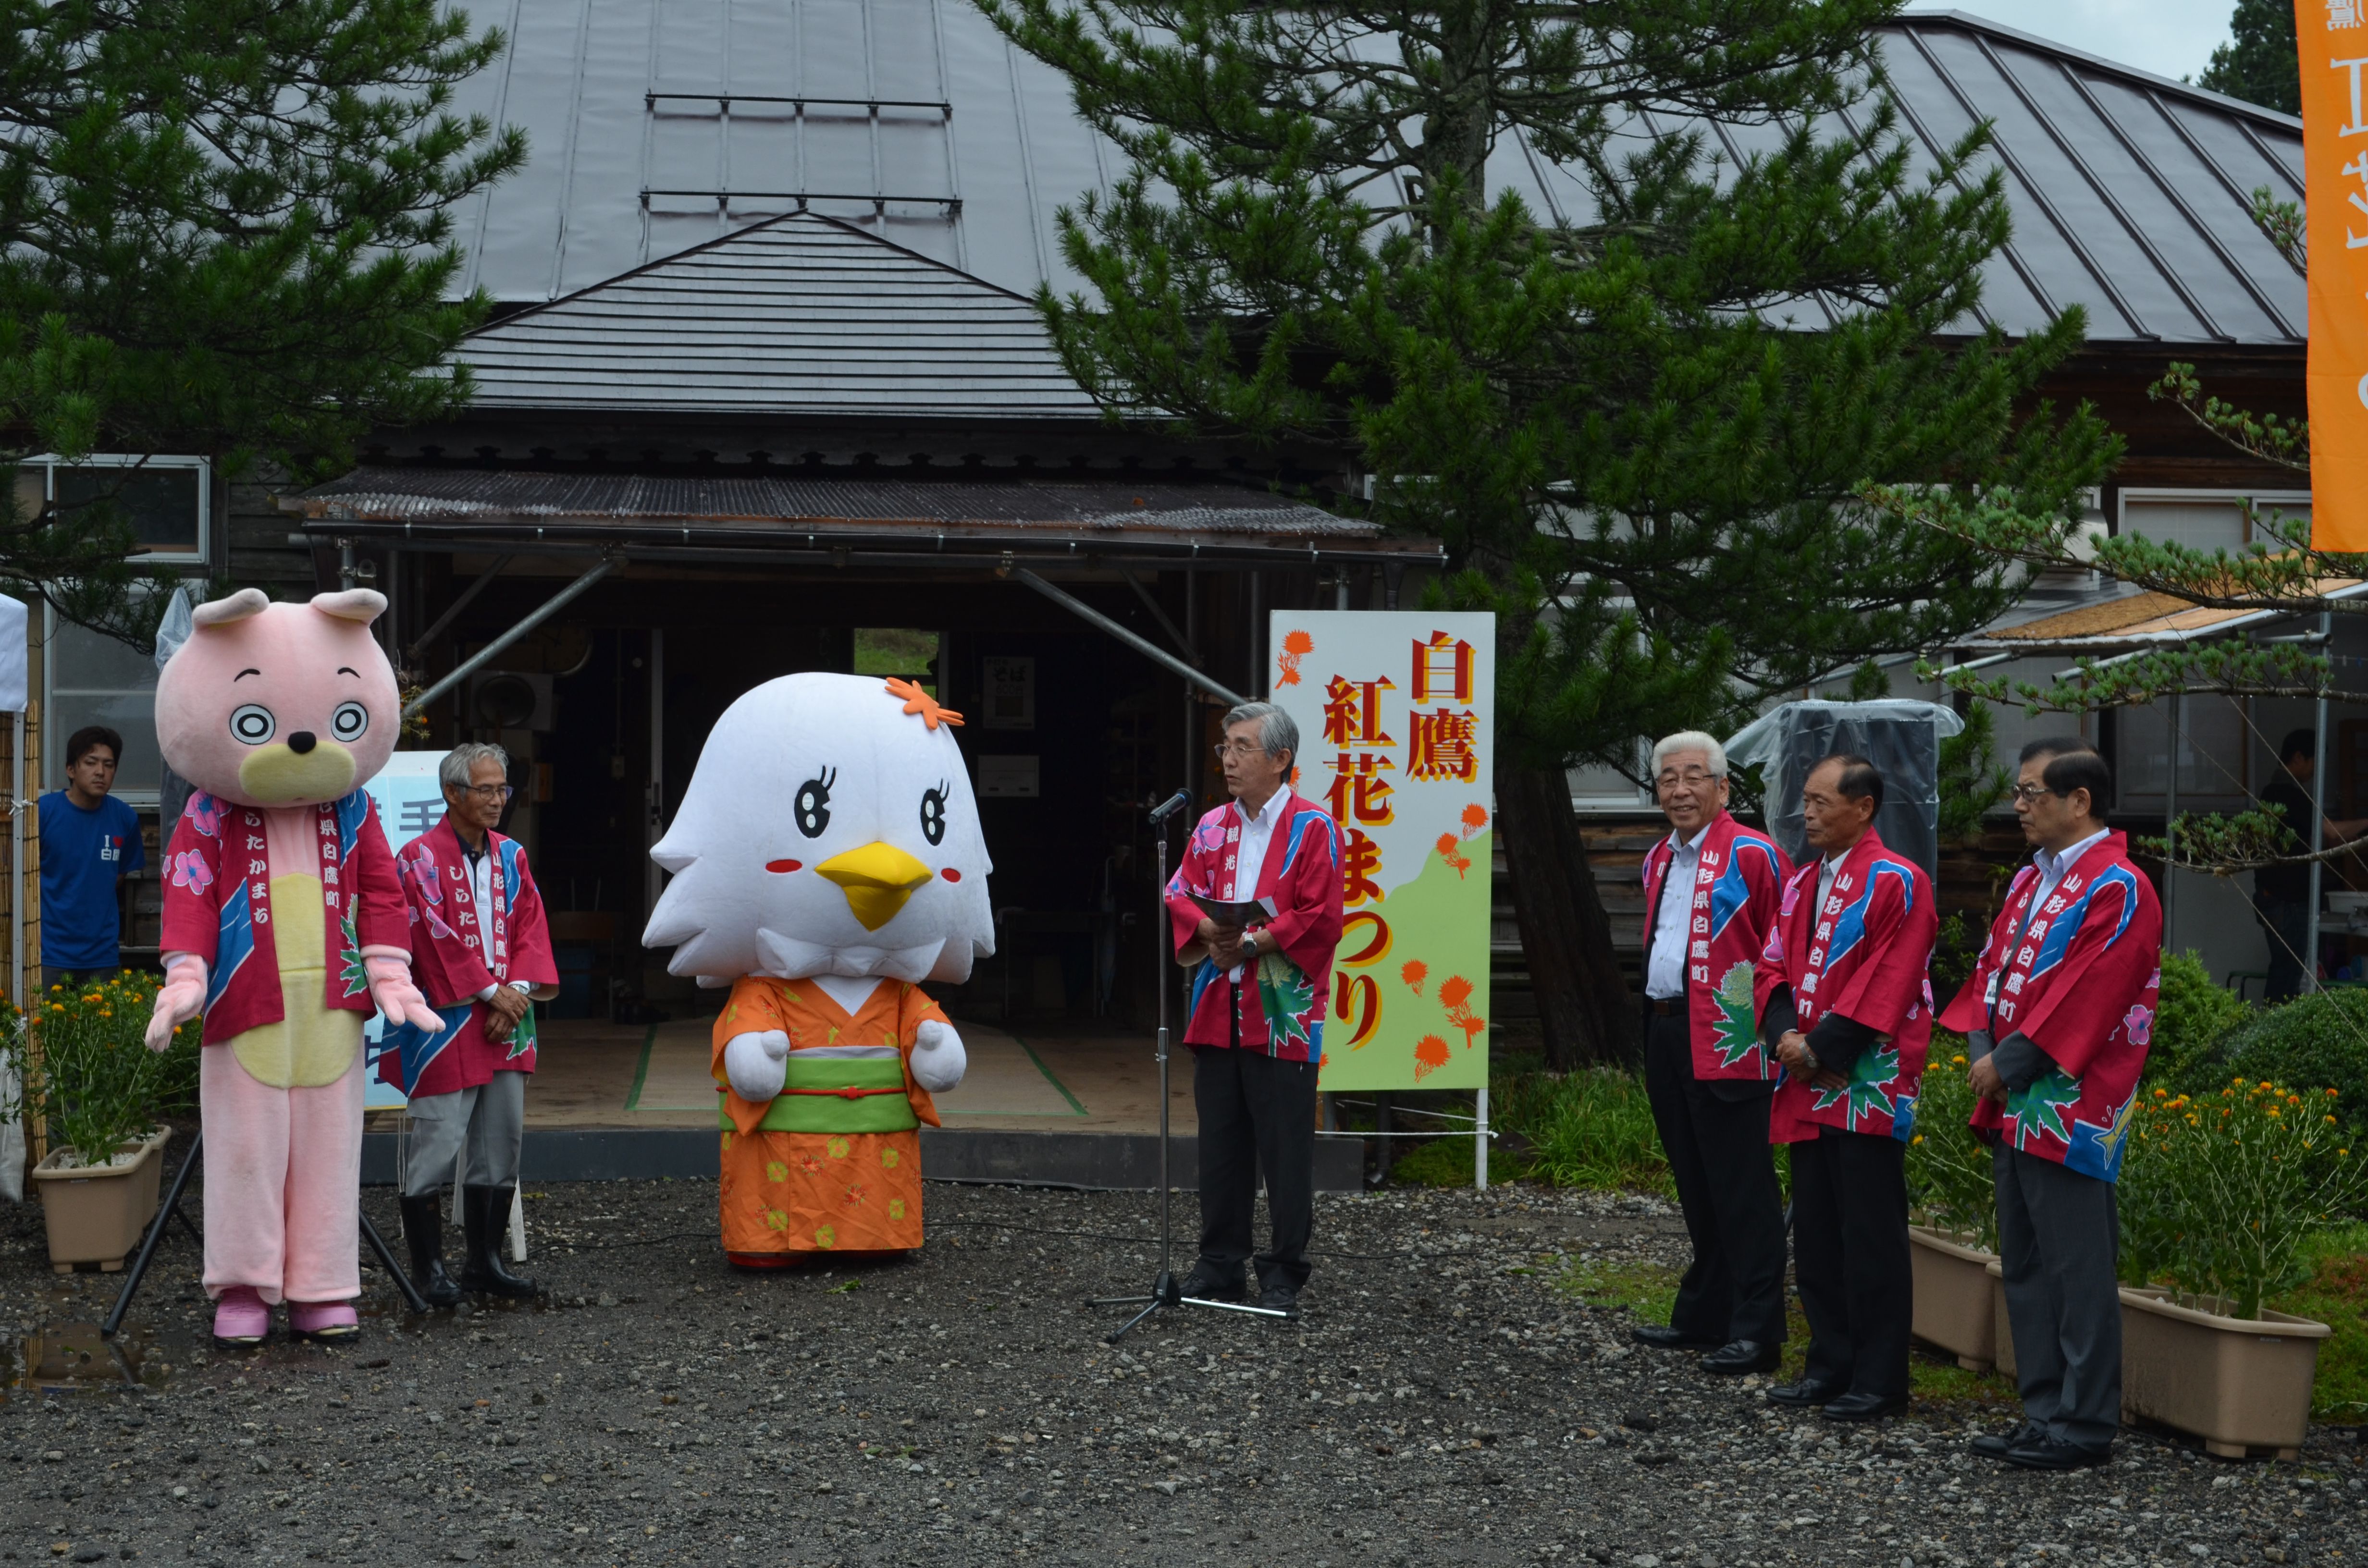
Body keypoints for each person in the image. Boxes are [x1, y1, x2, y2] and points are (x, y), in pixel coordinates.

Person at [1940, 738, 2161, 1471]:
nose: (2019, 804)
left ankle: (2087, 1421)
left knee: (2077, 1265)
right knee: (2027, 1262)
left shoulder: (2120, 886)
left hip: (2072, 1101)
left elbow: (2092, 996)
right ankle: (2043, 1410)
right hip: (2013, 1091)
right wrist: (1981, 1046)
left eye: (2033, 791)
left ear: (2080, 801)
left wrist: (2006, 1061)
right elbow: (1990, 972)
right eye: (2019, 790)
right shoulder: (2032, 879)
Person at [1757, 755, 1936, 1422]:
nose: (1808, 813)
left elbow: (1890, 978)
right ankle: (1828, 1365)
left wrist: (1821, 1048)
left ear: (1863, 808)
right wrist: (1786, 1039)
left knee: (1871, 1234)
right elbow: (1770, 966)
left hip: (1866, 1082)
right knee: (1821, 1232)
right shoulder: (1803, 882)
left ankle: (1881, 1379)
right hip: (1807, 1077)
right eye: (1805, 800)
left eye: (1821, 802)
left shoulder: (1899, 880)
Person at [1164, 700, 1344, 1319]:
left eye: (1242, 747)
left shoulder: (1313, 828)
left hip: (1283, 1002)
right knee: (1220, 1139)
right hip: (1218, 996)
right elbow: (1178, 891)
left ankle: (1284, 1269)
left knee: (1284, 1143)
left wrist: (1250, 940)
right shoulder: (1211, 825)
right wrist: (1210, 929)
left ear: (1281, 759)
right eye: (1225, 748)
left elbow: (1320, 913)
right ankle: (1219, 1263)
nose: (1229, 759)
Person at [1628, 731, 1794, 1374]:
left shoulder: (1754, 855)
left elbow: (1782, 948)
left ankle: (1758, 1328)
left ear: (1723, 788)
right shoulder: (1658, 859)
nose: (1680, 789)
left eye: (1694, 776)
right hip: (1667, 1027)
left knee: (1742, 1184)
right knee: (1695, 1180)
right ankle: (1705, 1314)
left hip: (1731, 1037)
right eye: (1668, 778)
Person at [380, 743, 558, 1303]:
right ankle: (429, 1270)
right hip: (446, 1022)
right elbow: (431, 938)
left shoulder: (513, 855)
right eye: (485, 789)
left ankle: (484, 1263)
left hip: (509, 1018)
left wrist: (518, 994)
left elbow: (530, 925)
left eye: (503, 789)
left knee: (500, 1143)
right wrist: (492, 993)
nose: (498, 800)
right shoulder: (417, 858)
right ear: (451, 793)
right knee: (437, 1141)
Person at [2252, 728, 2368, 1000]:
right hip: (2285, 902)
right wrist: (2366, 824)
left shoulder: (2281, 792)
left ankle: (2272, 1033)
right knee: (2287, 974)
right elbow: (2330, 833)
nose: (2316, 770)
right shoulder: (2284, 793)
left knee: (2288, 972)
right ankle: (2272, 1036)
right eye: (2315, 762)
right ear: (2299, 757)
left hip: (2280, 899)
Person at [39, 725, 146, 983]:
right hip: (48, 952)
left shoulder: (125, 818)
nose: (101, 772)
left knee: (102, 1023)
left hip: (103, 954)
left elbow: (119, 874)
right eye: (91, 763)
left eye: (109, 765)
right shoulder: (43, 812)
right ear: (71, 770)